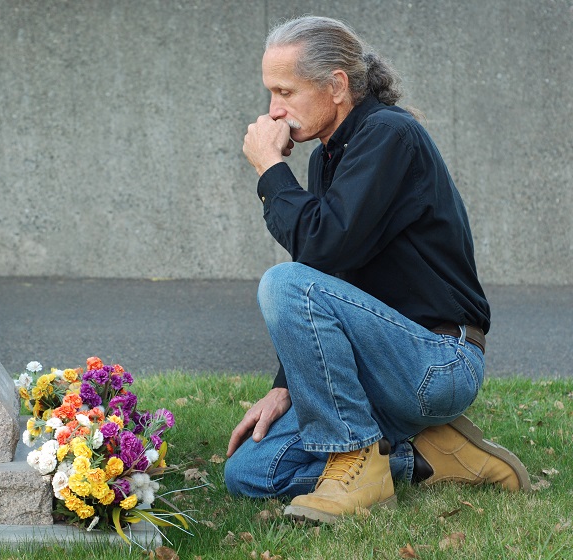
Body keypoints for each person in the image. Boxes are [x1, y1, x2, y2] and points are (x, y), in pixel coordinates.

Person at [223, 15, 530, 524]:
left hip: (437, 361)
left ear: (337, 86)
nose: (273, 110)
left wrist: (271, 172)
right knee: (251, 471)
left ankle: (357, 462)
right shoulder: (327, 158)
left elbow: (323, 247)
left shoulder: (390, 135)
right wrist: (284, 384)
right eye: (269, 92)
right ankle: (429, 456)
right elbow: (329, 279)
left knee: (282, 282)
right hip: (380, 365)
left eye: (284, 91)